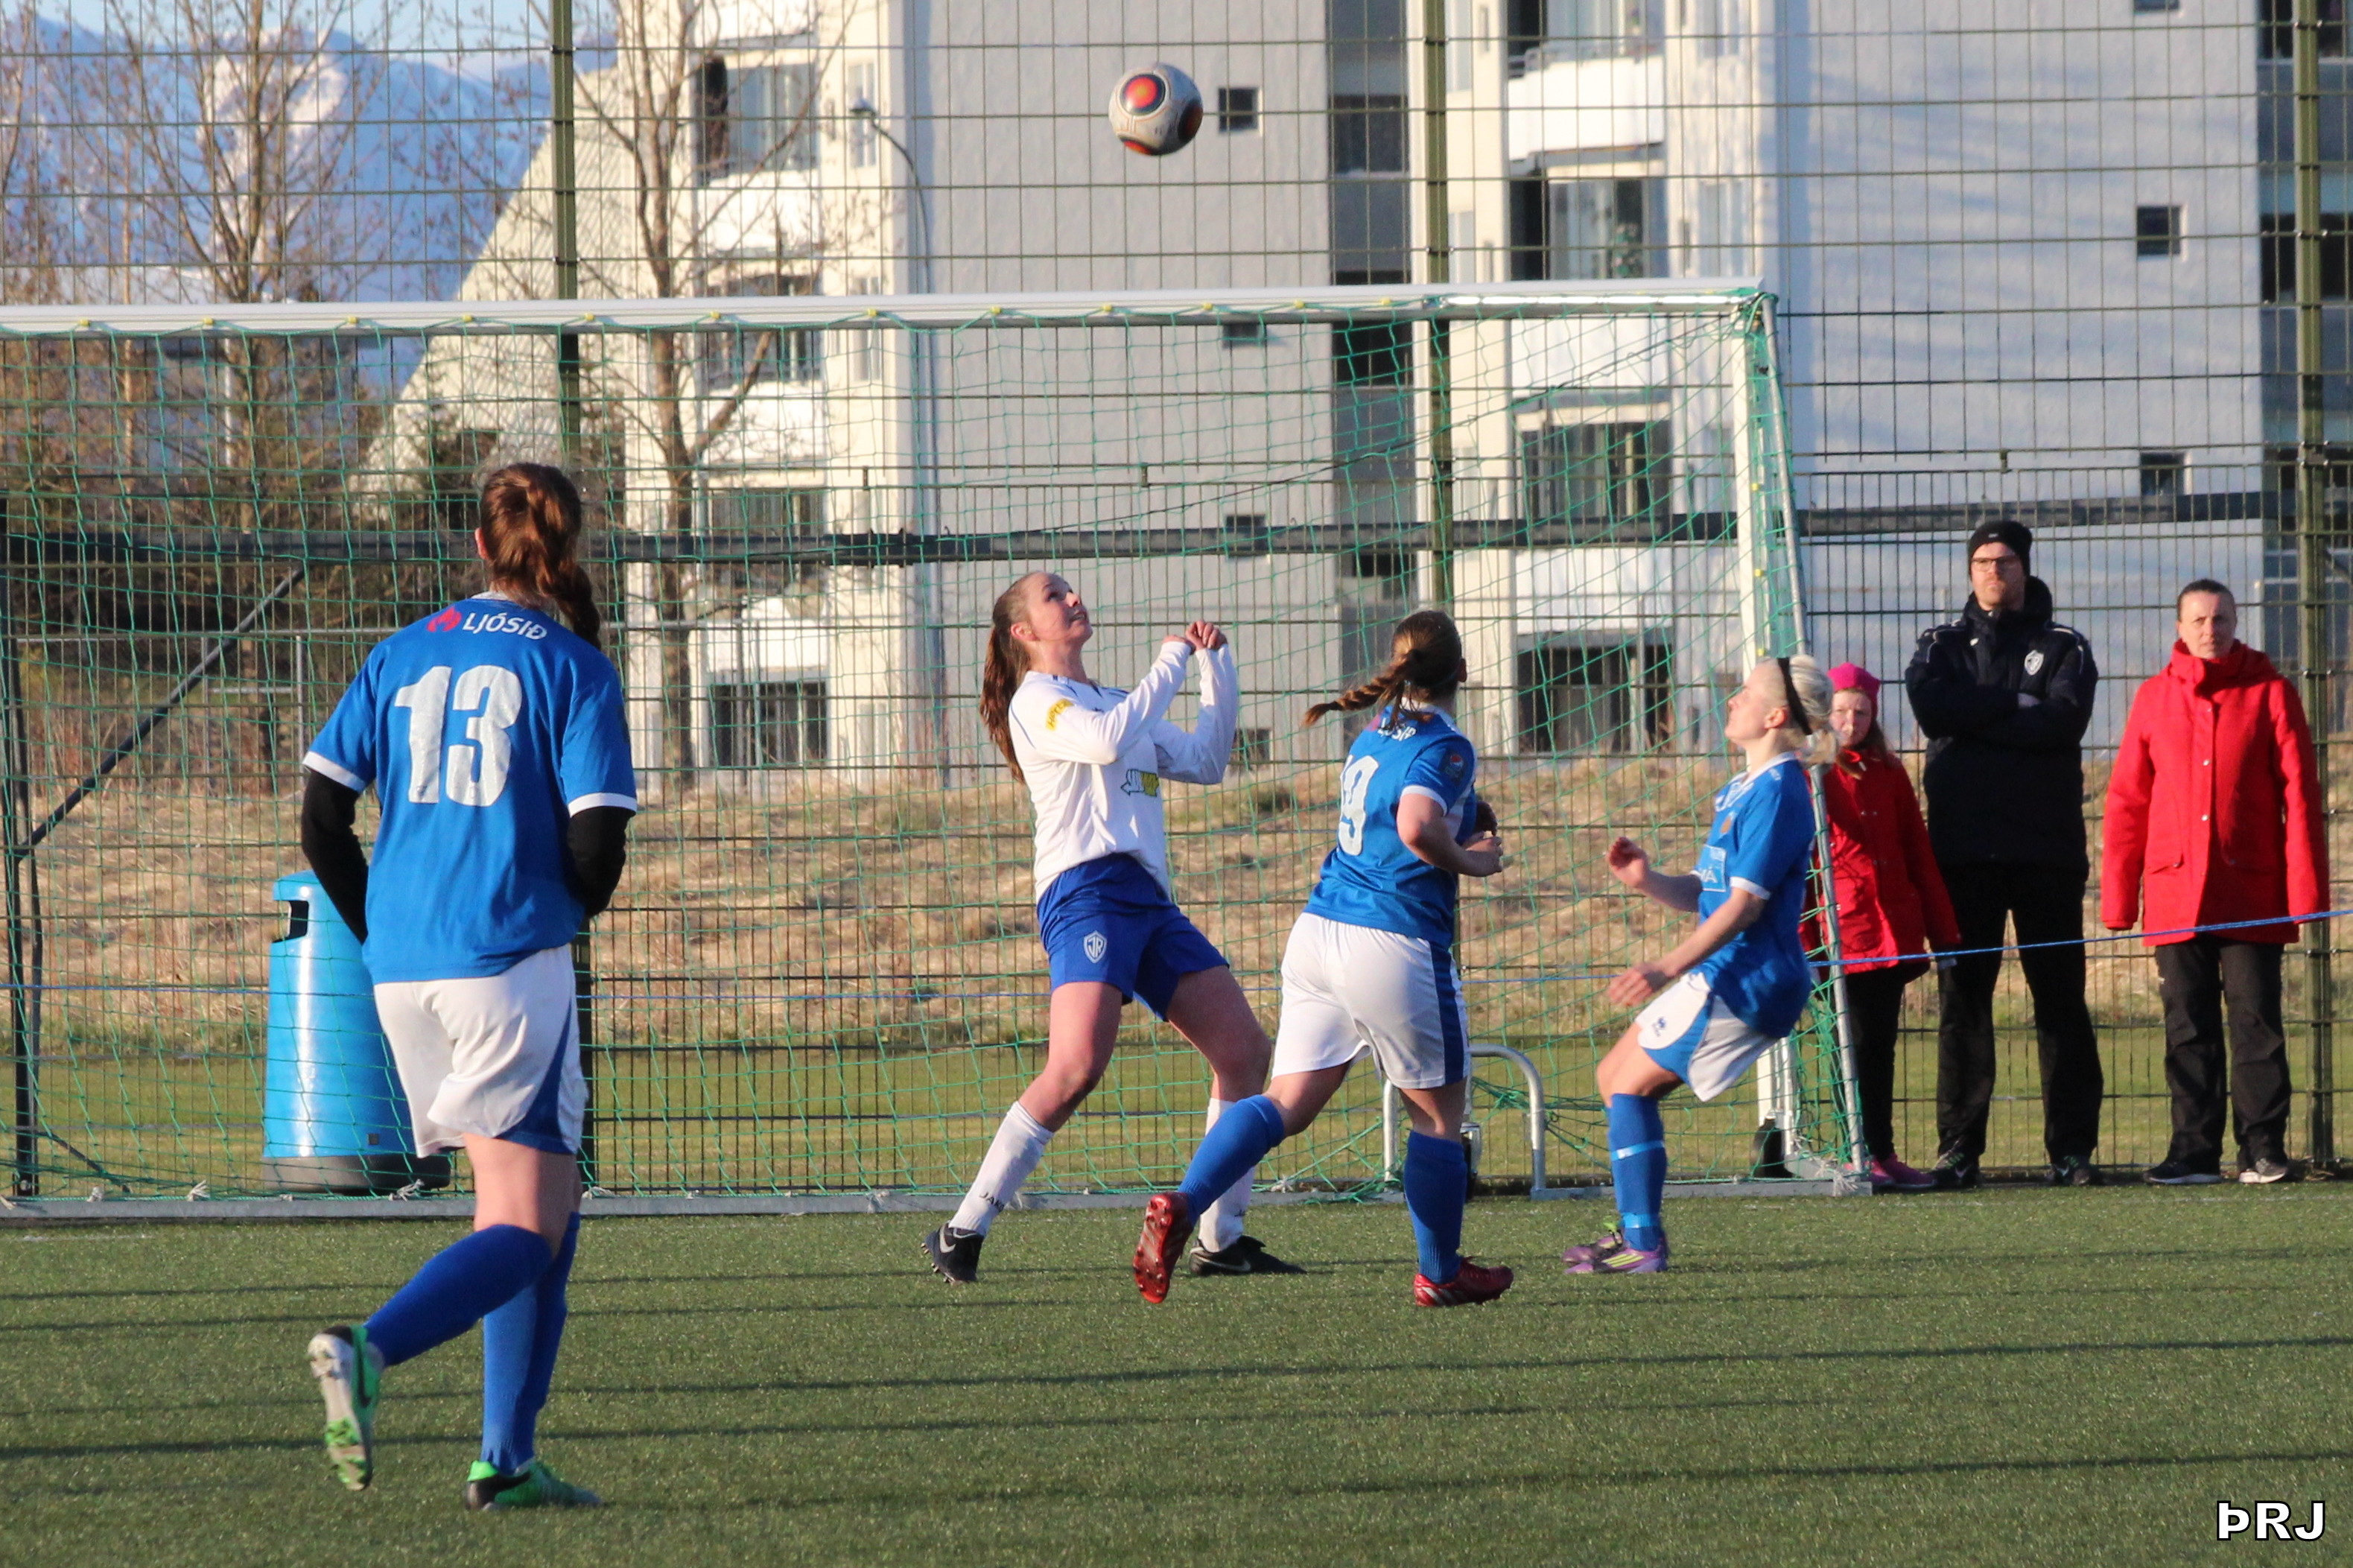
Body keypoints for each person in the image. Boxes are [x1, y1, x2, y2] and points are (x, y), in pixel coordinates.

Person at [299, 462, 634, 1509]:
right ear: (566, 547)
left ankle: (507, 1461)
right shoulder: (574, 666)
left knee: (544, 1209)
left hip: (402, 969)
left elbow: (321, 816)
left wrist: (384, 929)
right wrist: (557, 912)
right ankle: (366, 1349)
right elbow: (597, 846)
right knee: (524, 1226)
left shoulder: (400, 650)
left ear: (480, 545)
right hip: (505, 964)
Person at [1132, 611, 1514, 1307]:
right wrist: (1474, 861)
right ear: (1461, 671)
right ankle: (1440, 1272)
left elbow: (1399, 805)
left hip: (1318, 932)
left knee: (1283, 1102)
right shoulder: (1449, 743)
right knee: (1436, 1118)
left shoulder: (1375, 730)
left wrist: (1466, 809)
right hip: (1392, 939)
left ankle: (1184, 1201)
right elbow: (1415, 825)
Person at [924, 572, 1297, 1283]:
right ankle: (961, 1229)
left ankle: (1220, 1239)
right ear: (1023, 632)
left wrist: (1215, 667)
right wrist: (1171, 660)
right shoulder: (1038, 699)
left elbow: (1207, 762)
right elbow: (1102, 742)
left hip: (1148, 899)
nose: (1072, 599)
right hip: (1085, 893)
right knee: (1074, 1070)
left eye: (1070, 589)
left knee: (1244, 1051)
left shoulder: (1118, 702)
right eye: (1053, 596)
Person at [1560, 656, 1838, 1275]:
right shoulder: (1745, 786)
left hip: (1747, 977)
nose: (1731, 700)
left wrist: (1663, 966)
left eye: (1745, 692)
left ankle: (1642, 1243)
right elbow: (1708, 892)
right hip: (1726, 970)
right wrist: (1646, 879)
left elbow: (1743, 908)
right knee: (1614, 1077)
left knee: (1628, 1085)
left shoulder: (1780, 790)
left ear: (1775, 715)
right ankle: (1637, 1230)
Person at [2103, 580, 2326, 1186]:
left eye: (2221, 617)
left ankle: (2262, 1148)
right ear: (2179, 627)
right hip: (2174, 894)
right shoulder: (2153, 697)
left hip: (2251, 891)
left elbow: (2301, 798)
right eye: (2199, 619)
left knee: (2256, 1023)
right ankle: (2192, 1150)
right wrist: (2119, 900)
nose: (2211, 629)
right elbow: (2127, 800)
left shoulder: (2271, 693)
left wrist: (2305, 893)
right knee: (2186, 1026)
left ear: (2235, 621)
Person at [1905, 520, 2103, 1187]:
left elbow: (2061, 721)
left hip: (2046, 853)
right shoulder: (1939, 644)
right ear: (1970, 571)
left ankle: (2070, 1149)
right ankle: (1958, 1148)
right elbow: (1931, 708)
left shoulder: (2065, 645)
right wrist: (2011, 704)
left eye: (2006, 560)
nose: (1995, 571)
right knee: (1964, 1002)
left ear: (2025, 567)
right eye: (1984, 561)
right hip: (1963, 853)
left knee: (2060, 1000)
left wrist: (1976, 718)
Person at [1809, 662, 1960, 1192]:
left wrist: (1943, 932)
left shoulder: (1889, 771)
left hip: (1888, 932)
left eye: (1861, 712)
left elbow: (1917, 852)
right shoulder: (1809, 772)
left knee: (1880, 1046)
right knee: (1848, 1046)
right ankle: (1852, 1149)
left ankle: (1881, 1150)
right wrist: (1804, 945)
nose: (1850, 721)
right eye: (1841, 711)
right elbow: (1802, 866)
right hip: (1840, 935)